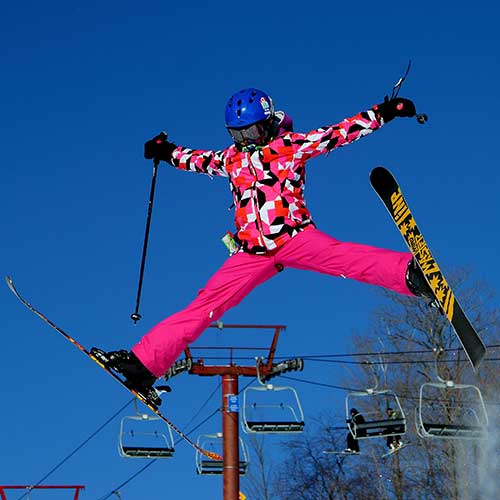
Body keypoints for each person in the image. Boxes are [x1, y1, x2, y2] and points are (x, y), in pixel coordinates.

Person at [91, 87, 433, 403]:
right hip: (251, 253)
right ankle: (142, 366)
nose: (245, 141)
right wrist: (165, 151)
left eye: (250, 133)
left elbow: (339, 133)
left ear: (267, 124)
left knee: (341, 258)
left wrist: (385, 111)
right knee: (204, 305)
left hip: (294, 237)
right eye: (237, 134)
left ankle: (409, 275)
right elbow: (195, 160)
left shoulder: (290, 146)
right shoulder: (231, 159)